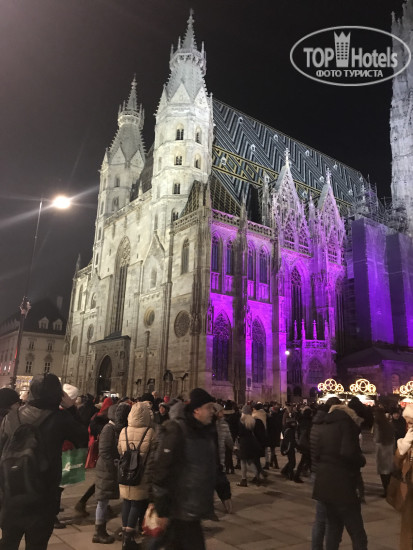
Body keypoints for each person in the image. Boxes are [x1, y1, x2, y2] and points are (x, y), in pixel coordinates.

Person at [0, 373, 88, 550]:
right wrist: (72, 409)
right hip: (43, 496)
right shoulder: (61, 418)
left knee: (8, 542)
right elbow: (82, 439)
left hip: (10, 493)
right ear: (57, 394)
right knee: (37, 544)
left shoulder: (11, 416)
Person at [152, 388, 216, 550]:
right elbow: (162, 470)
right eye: (209, 407)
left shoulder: (204, 431)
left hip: (191, 509)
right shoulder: (178, 430)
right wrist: (162, 509)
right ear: (196, 410)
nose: (212, 411)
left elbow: (208, 466)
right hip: (180, 508)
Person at [312, 402, 368, 550]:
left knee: (333, 528)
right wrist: (361, 460)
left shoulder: (323, 426)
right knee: (357, 533)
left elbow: (316, 454)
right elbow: (349, 453)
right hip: (343, 486)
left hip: (325, 485)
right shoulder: (347, 426)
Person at [118, 402, 155, 548]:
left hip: (125, 472)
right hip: (141, 473)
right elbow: (152, 456)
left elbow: (120, 449)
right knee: (136, 503)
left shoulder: (124, 430)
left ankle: (124, 535)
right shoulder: (150, 432)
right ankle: (129, 539)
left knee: (126, 502)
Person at [93, 403, 121, 544]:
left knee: (104, 500)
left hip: (107, 469)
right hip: (105, 469)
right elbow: (104, 451)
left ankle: (100, 529)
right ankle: (99, 532)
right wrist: (113, 465)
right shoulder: (108, 429)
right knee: (102, 501)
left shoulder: (113, 428)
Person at [394, 403, 413, 550]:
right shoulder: (407, 439)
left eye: (411, 422)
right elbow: (396, 463)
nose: (409, 426)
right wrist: (403, 447)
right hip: (409, 490)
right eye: (407, 423)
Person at [236, 404, 265, 487]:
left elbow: (240, 433)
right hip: (251, 442)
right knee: (249, 461)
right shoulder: (252, 421)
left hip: (244, 443)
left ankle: (244, 479)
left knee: (243, 461)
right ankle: (257, 476)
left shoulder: (241, 421)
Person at [213, 403, 233, 513]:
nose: (222, 413)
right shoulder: (207, 425)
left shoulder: (224, 424)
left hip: (220, 458)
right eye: (220, 411)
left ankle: (227, 503)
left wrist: (234, 448)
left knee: (222, 482)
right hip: (209, 459)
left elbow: (229, 439)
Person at [373, 407, 395, 497]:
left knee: (383, 472)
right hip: (389, 449)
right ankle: (390, 490)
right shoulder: (389, 424)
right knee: (389, 471)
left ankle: (386, 490)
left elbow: (377, 438)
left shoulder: (377, 424)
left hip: (381, 450)